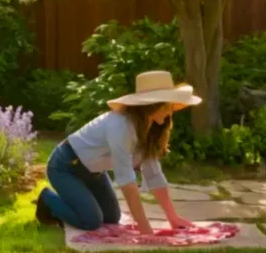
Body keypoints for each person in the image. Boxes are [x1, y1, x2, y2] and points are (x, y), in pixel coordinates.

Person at [35, 70, 200, 234]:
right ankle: (47, 199)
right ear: (151, 105)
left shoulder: (151, 128)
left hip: (94, 172)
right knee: (91, 220)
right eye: (167, 105)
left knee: (111, 217)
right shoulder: (121, 126)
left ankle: (76, 199)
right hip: (65, 167)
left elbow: (154, 174)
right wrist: (145, 228)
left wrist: (172, 217)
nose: (170, 111)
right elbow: (127, 181)